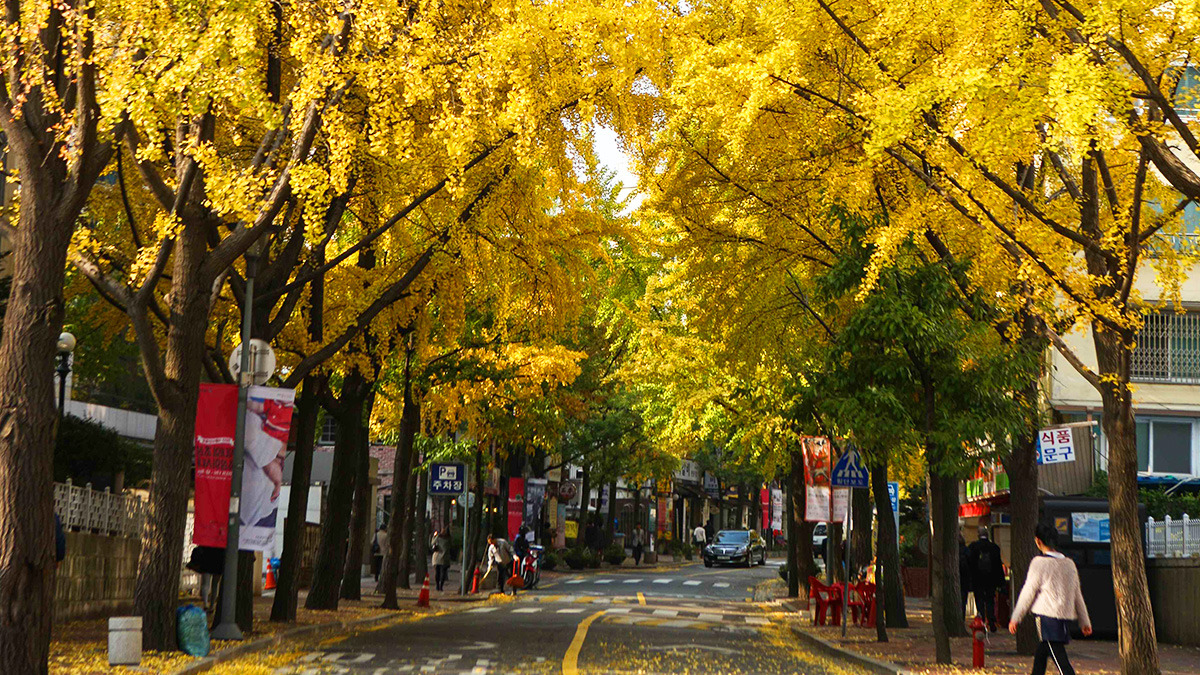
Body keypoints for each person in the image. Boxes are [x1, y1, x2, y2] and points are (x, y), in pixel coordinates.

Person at [1009, 523, 1091, 675]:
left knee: (1058, 656)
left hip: (1046, 616)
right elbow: (1077, 594)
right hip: (1063, 617)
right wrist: (1084, 621)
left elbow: (1028, 592)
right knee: (1043, 650)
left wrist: (1016, 617)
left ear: (1038, 541)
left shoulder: (1039, 563)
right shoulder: (1069, 564)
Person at [967, 527, 1005, 631]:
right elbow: (998, 566)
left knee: (979, 600)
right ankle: (991, 622)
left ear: (978, 535)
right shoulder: (994, 548)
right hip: (991, 580)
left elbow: (970, 565)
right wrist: (1001, 582)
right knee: (990, 600)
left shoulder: (973, 547)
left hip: (977, 580)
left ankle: (981, 621)